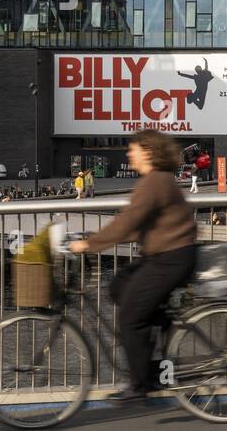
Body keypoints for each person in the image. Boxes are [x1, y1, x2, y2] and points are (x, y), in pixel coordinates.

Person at [68, 131, 197, 401]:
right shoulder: (156, 181)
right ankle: (157, 333)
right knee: (119, 285)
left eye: (133, 149)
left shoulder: (155, 183)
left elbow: (127, 222)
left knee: (130, 318)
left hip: (171, 258)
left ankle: (140, 384)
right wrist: (96, 239)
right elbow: (132, 225)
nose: (129, 154)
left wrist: (89, 245)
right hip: (163, 255)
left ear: (148, 152)